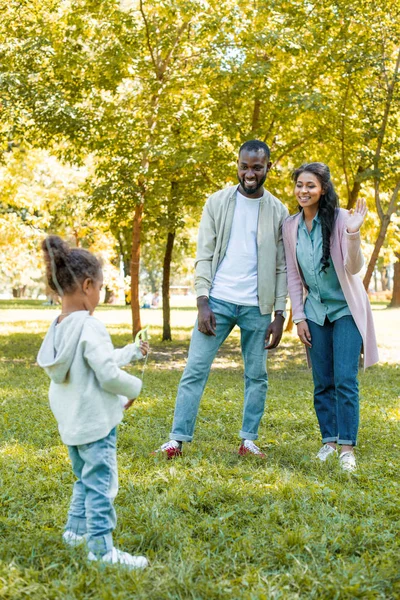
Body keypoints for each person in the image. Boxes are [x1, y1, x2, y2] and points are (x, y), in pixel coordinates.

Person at [154, 140, 289, 458]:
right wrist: (202, 301)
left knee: (257, 375)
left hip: (258, 307)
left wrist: (280, 314)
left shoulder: (278, 211)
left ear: (268, 167)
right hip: (217, 303)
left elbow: (282, 267)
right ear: (238, 165)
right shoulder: (216, 203)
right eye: (244, 166)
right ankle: (177, 439)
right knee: (195, 369)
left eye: (257, 167)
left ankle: (248, 440)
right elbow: (203, 255)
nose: (250, 173)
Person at [37, 235, 149, 569]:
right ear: (87, 285)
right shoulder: (91, 326)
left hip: (73, 424)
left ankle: (75, 532)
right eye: (100, 287)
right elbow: (106, 374)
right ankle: (101, 551)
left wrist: (129, 352)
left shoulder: (58, 328)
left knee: (84, 478)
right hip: (97, 424)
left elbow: (92, 361)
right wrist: (134, 387)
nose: (100, 294)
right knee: (102, 485)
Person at [282, 162, 379, 472]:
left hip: (346, 310)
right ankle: (329, 441)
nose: (303, 191)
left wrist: (353, 233)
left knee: (345, 380)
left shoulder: (340, 220)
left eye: (310, 185)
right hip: (315, 313)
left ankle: (347, 448)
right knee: (322, 382)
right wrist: (299, 318)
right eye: (299, 185)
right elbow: (295, 279)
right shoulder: (290, 226)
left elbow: (353, 268)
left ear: (322, 189)